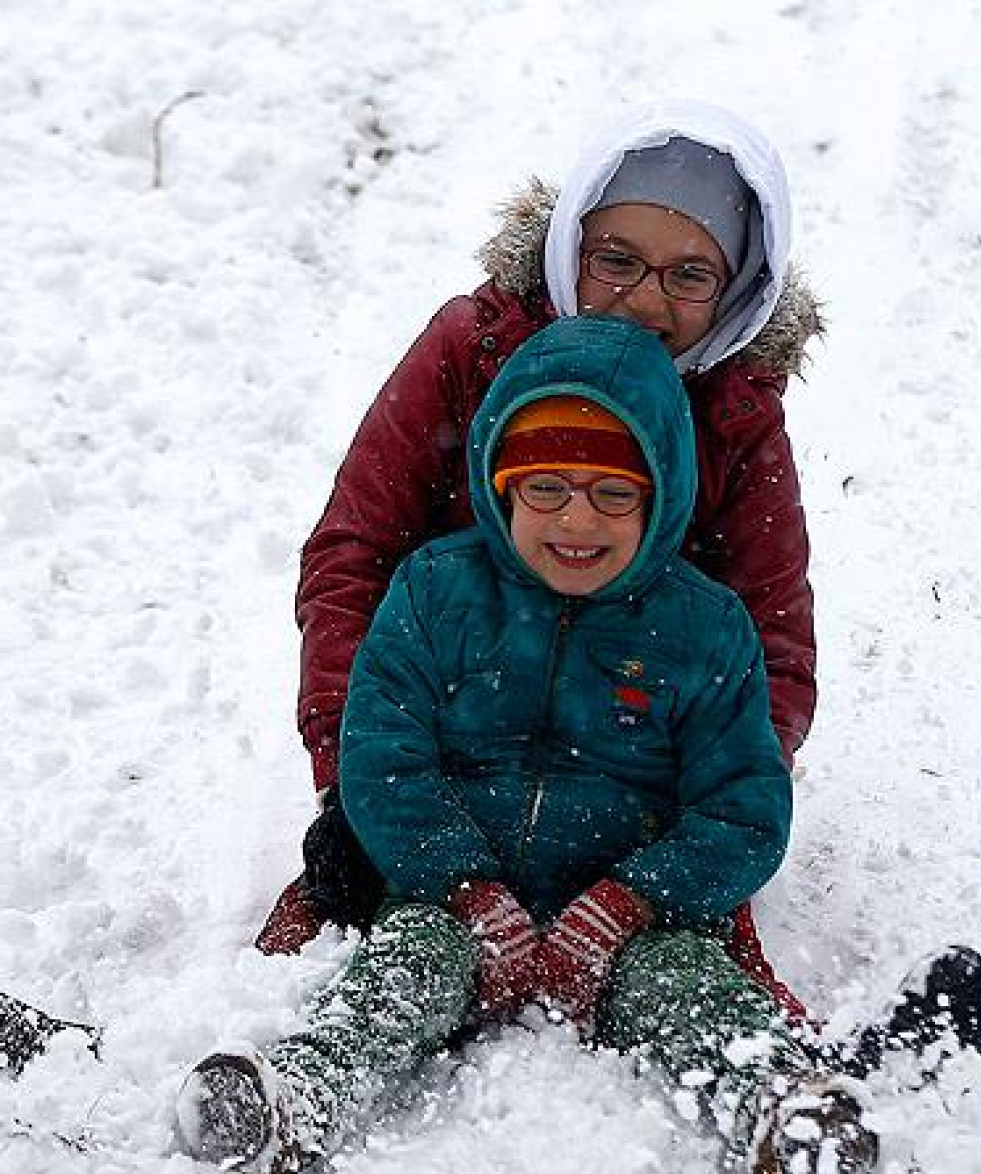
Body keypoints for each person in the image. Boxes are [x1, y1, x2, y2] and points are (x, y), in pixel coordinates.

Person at [177, 316, 881, 1174]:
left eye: (612, 495)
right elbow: (384, 761)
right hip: (454, 899)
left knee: (691, 994)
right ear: (499, 486)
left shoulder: (707, 630)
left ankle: (786, 1113)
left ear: (662, 496)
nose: (576, 520)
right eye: (544, 487)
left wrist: (629, 903)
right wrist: (465, 889)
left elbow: (744, 808)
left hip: (632, 920)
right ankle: (299, 1097)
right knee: (403, 969)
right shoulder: (436, 593)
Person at [254, 101, 823, 1016]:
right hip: (461, 710)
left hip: (632, 735)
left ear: (738, 291)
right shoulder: (476, 349)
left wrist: (702, 830)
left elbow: (774, 639)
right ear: (571, 245)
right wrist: (351, 779)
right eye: (617, 261)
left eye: (689, 275)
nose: (645, 299)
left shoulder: (736, 409)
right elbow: (353, 555)